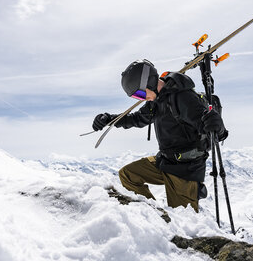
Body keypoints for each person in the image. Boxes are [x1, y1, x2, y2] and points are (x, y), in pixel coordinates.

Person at [92, 59, 227, 212]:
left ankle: (175, 211)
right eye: (137, 97)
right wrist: (110, 119)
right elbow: (138, 118)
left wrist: (217, 126)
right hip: (165, 161)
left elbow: (213, 130)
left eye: (140, 93)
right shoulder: (157, 100)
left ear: (149, 82)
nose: (142, 98)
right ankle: (155, 214)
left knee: (183, 221)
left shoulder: (183, 97)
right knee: (128, 175)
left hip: (185, 169)